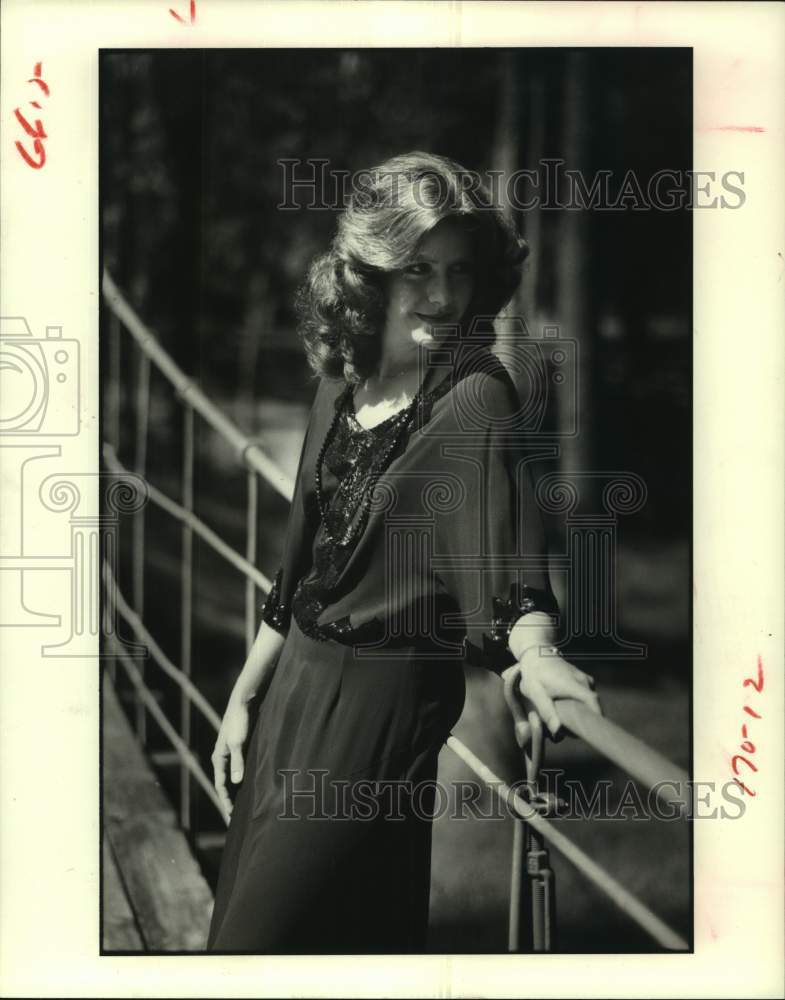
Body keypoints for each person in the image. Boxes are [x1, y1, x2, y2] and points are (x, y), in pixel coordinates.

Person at [206, 151, 601, 954]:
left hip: (380, 712)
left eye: (459, 271)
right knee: (341, 940)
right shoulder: (340, 382)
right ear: (369, 273)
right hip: (292, 691)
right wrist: (245, 694)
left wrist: (538, 652)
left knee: (256, 948)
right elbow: (301, 577)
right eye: (417, 268)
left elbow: (511, 568)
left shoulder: (474, 397)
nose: (443, 295)